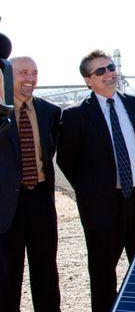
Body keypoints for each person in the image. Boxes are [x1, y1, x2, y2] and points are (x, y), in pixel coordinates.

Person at [57, 50, 135, 312]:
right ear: (88, 80)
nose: (109, 73)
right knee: (102, 274)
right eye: (100, 71)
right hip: (102, 207)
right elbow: (66, 161)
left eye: (110, 67)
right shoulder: (76, 115)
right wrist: (92, 191)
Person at [0, 56, 61, 312]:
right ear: (7, 76)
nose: (31, 78)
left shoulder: (50, 112)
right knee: (7, 275)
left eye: (34, 72)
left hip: (41, 200)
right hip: (6, 206)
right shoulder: (0, 113)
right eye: (23, 72)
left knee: (46, 270)